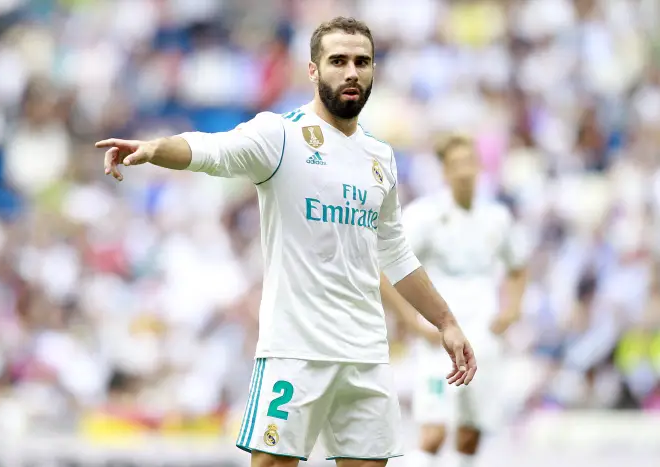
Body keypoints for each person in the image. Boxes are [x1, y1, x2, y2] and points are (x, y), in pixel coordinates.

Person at [95, 17, 477, 467]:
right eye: (338, 61)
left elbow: (394, 252)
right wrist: (156, 148)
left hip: (366, 353)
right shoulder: (280, 135)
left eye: (362, 61)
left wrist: (446, 322)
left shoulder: (381, 158)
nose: (351, 71)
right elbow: (214, 151)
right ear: (313, 71)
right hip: (296, 349)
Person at [397, 134, 528, 467]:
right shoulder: (424, 215)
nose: (465, 171)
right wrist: (412, 321)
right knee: (433, 433)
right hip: (439, 335)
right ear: (443, 171)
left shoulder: (497, 217)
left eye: (469, 162)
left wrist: (511, 310)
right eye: (456, 165)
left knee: (471, 435)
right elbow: (389, 267)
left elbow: (517, 267)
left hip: (484, 334)